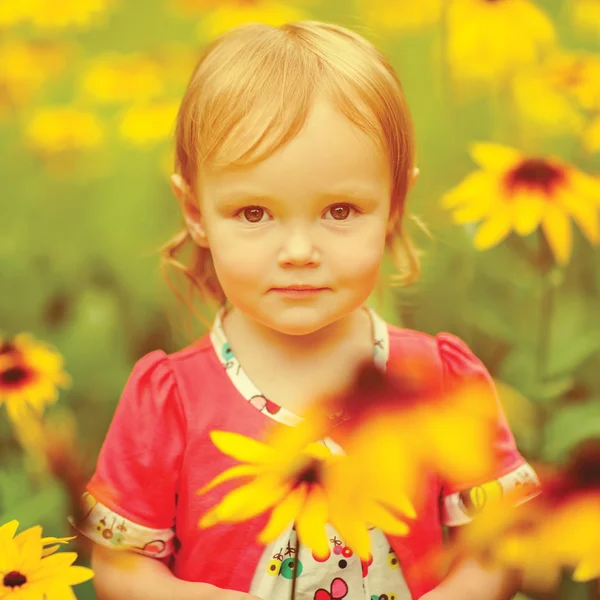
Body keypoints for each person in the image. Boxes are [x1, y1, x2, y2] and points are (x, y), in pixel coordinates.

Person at [74, 20, 539, 600]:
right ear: (195, 211)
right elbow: (119, 569)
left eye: (341, 210)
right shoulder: (171, 398)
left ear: (394, 204)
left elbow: (499, 549)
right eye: (252, 213)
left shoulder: (437, 378)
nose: (299, 252)